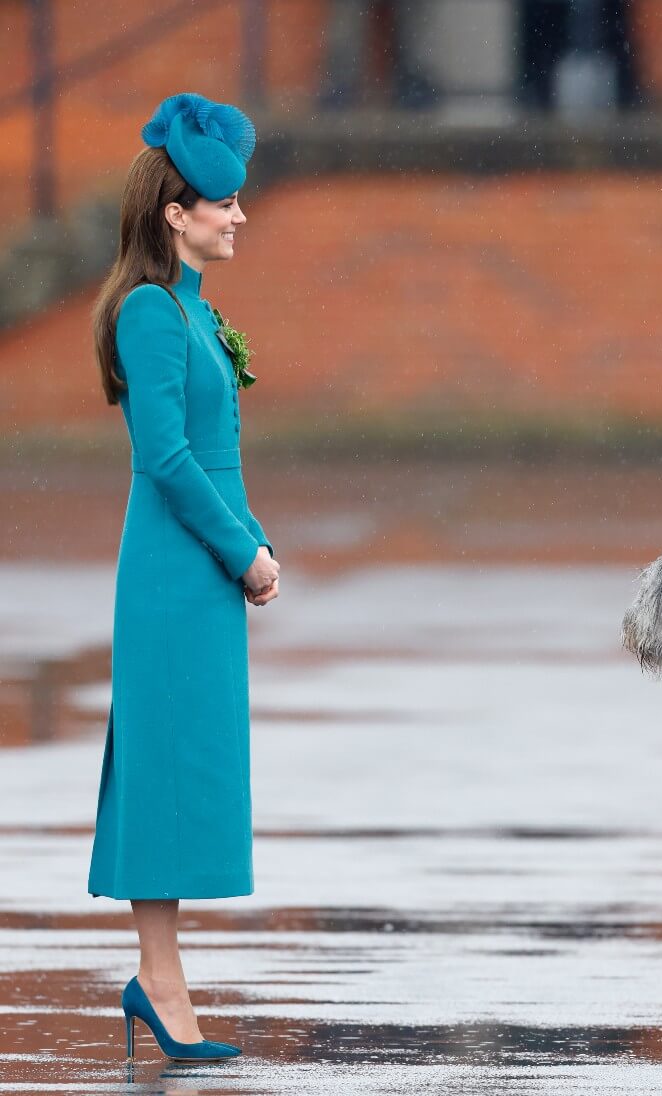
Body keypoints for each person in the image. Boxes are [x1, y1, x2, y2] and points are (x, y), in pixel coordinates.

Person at [87, 93, 279, 1062]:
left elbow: (218, 451)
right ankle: (159, 982)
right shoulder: (150, 314)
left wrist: (252, 537)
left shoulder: (194, 311)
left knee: (188, 768)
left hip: (201, 574)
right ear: (175, 211)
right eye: (221, 201)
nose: (236, 214)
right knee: (162, 771)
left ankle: (161, 977)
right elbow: (165, 457)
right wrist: (242, 549)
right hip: (171, 575)